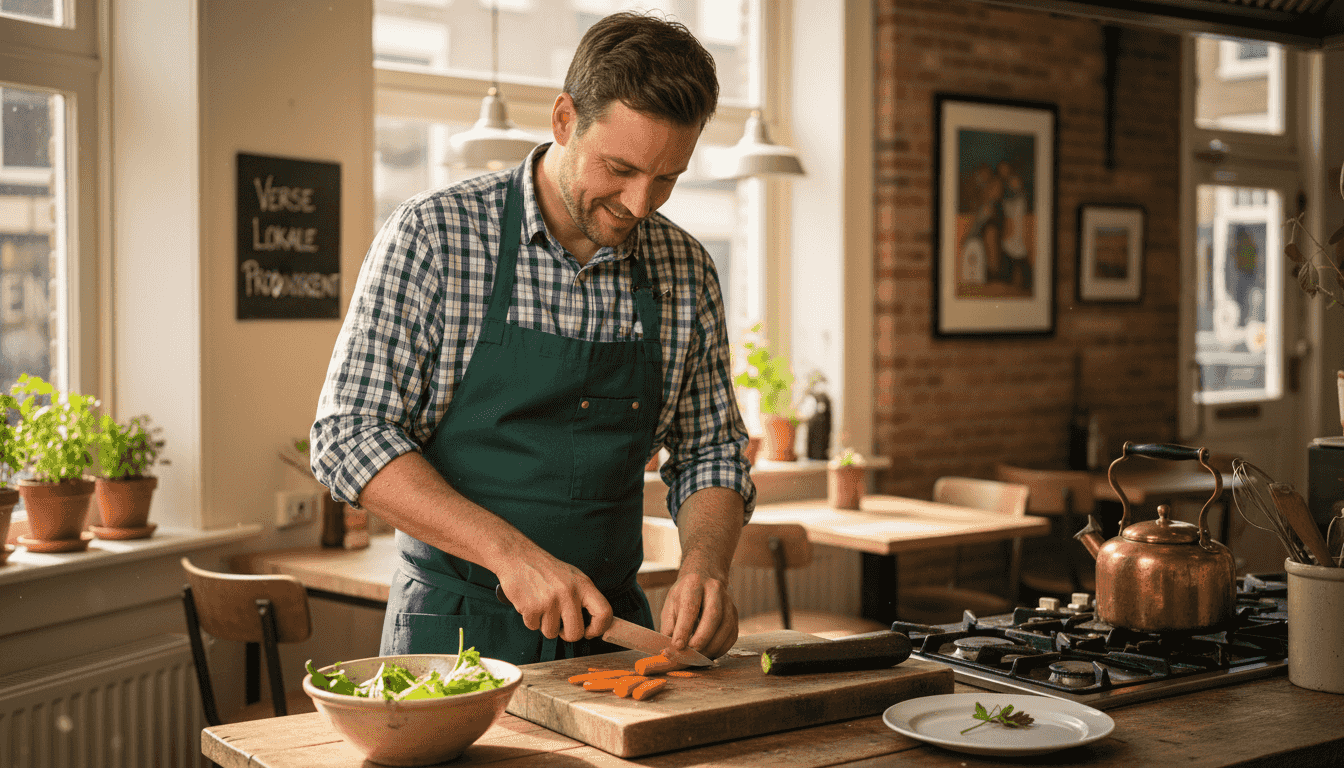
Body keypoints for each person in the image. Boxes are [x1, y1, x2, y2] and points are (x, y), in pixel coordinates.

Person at [311, 11, 755, 667]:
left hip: (613, 642)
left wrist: (706, 563)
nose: (639, 203)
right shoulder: (438, 236)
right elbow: (348, 433)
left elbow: (711, 447)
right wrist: (507, 552)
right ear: (563, 119)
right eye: (620, 167)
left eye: (667, 177)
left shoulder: (684, 270)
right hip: (454, 634)